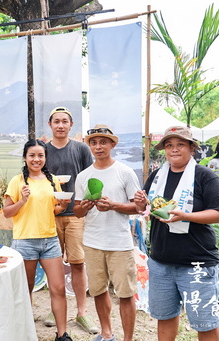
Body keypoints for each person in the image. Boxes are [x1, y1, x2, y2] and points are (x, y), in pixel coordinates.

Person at [134, 126, 219, 341]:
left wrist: (186, 216)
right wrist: (141, 205)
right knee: (165, 317)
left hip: (197, 262)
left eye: (180, 145)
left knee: (205, 324)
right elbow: (147, 209)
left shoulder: (205, 176)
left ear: (191, 148)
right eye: (169, 145)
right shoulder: (158, 175)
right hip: (161, 261)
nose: (173, 150)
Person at [74, 124, 140, 341]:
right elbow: (77, 211)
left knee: (126, 293)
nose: (98, 146)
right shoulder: (84, 176)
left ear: (113, 144)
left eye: (103, 142)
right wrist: (84, 206)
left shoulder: (125, 172)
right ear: (89, 146)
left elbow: (138, 207)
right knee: (98, 290)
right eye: (93, 142)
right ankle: (106, 333)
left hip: (119, 243)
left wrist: (113, 205)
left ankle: (128, 338)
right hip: (92, 242)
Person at [4, 139, 73, 341]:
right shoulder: (17, 181)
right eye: (32, 155)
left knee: (59, 288)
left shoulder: (53, 180)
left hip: (50, 240)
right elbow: (7, 213)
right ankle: (24, 333)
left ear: (45, 157)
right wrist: (23, 200)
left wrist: (63, 204)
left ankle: (62, 335)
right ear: (25, 158)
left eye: (40, 155)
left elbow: (54, 210)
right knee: (25, 290)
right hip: (25, 241)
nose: (36, 159)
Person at [44, 106, 97, 333]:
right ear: (50, 124)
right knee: (53, 264)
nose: (60, 125)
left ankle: (82, 312)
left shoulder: (81, 149)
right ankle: (55, 308)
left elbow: (90, 176)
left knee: (77, 263)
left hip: (75, 213)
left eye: (65, 121)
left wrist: (87, 204)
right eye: (56, 121)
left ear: (71, 125)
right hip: (50, 213)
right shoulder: (42, 150)